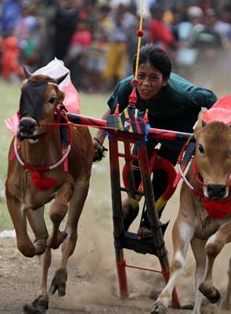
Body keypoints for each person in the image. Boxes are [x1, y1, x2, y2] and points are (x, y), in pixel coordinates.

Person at [93, 44, 217, 238]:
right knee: (136, 162)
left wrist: (209, 127)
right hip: (147, 122)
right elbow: (112, 115)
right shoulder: (128, 86)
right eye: (141, 76)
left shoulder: (183, 93)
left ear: (165, 79)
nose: (145, 84)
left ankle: (150, 221)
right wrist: (98, 140)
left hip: (179, 126)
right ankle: (132, 203)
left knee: (163, 172)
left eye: (153, 78)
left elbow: (212, 99)